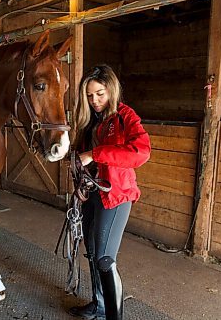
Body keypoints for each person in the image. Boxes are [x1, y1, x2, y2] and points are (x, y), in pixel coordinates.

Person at [68, 65, 151, 320]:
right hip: (92, 193)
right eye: (90, 96)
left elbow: (141, 152)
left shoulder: (125, 116)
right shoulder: (91, 120)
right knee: (92, 252)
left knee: (105, 259)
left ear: (111, 89)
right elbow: (82, 159)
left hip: (116, 195)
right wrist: (79, 183)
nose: (95, 101)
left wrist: (95, 153)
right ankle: (100, 305)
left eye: (100, 94)